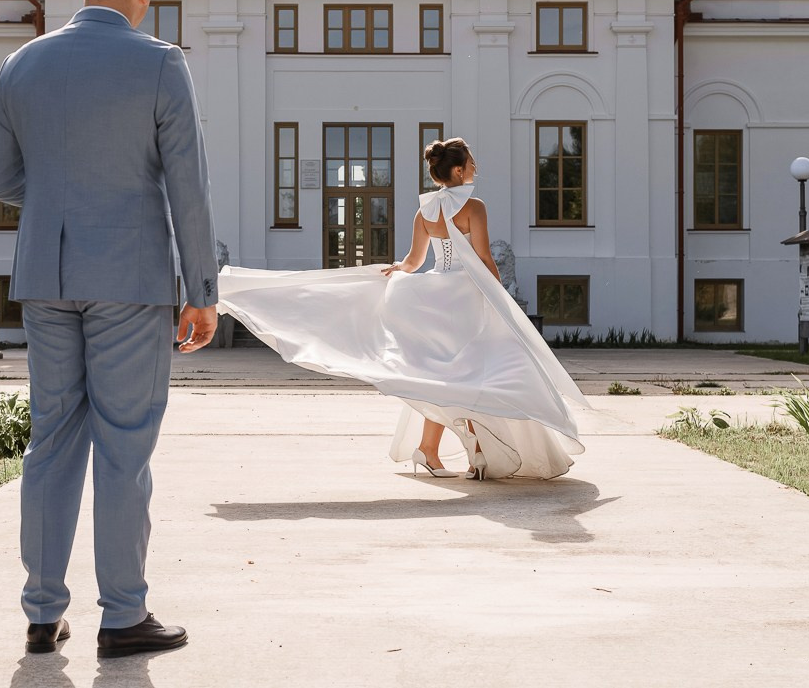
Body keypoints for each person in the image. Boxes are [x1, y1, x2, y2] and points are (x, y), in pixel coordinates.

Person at [0, 0, 217, 659]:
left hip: (47, 278)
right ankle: (123, 614)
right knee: (122, 447)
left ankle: (42, 613)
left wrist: (59, 195)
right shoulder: (160, 64)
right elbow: (188, 187)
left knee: (50, 442)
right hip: (131, 276)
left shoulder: (21, 63)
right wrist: (202, 290)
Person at [218, 137, 585, 481]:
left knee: (447, 377)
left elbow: (413, 261)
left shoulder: (425, 209)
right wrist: (500, 296)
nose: (475, 166)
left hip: (436, 295)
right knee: (476, 373)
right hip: (466, 297)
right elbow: (485, 258)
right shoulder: (474, 207)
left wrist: (396, 270)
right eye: (471, 162)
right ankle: (469, 452)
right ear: (458, 172)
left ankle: (440, 450)